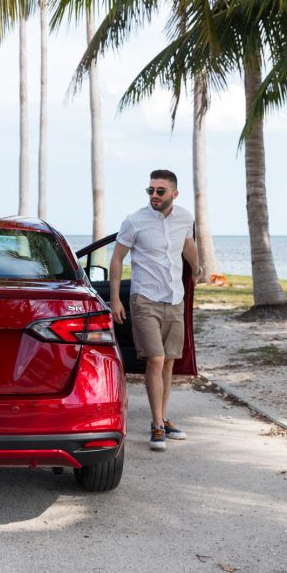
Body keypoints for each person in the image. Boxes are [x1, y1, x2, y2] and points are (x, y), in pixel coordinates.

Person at [109, 169, 202, 452]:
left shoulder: (185, 217)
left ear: (174, 194)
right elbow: (116, 259)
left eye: (160, 191)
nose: (154, 195)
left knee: (170, 361)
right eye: (150, 190)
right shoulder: (135, 221)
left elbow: (188, 245)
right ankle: (157, 425)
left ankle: (162, 417)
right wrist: (115, 299)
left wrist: (196, 268)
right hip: (144, 298)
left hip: (175, 298)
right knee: (156, 359)